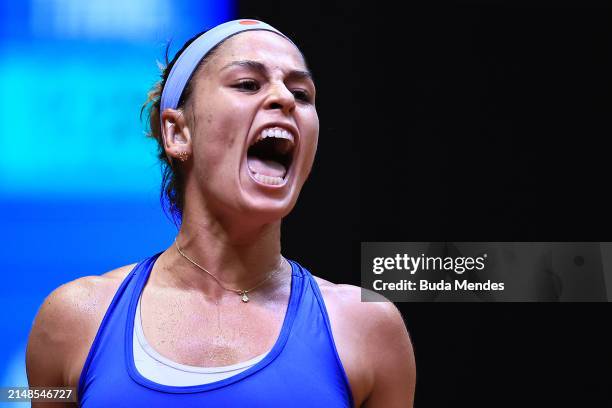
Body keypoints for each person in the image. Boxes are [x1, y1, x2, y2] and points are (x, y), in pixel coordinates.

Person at [25, 19, 415, 407]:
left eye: (301, 93)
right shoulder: (72, 320)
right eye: (248, 84)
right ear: (178, 133)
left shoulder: (368, 328)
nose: (283, 99)